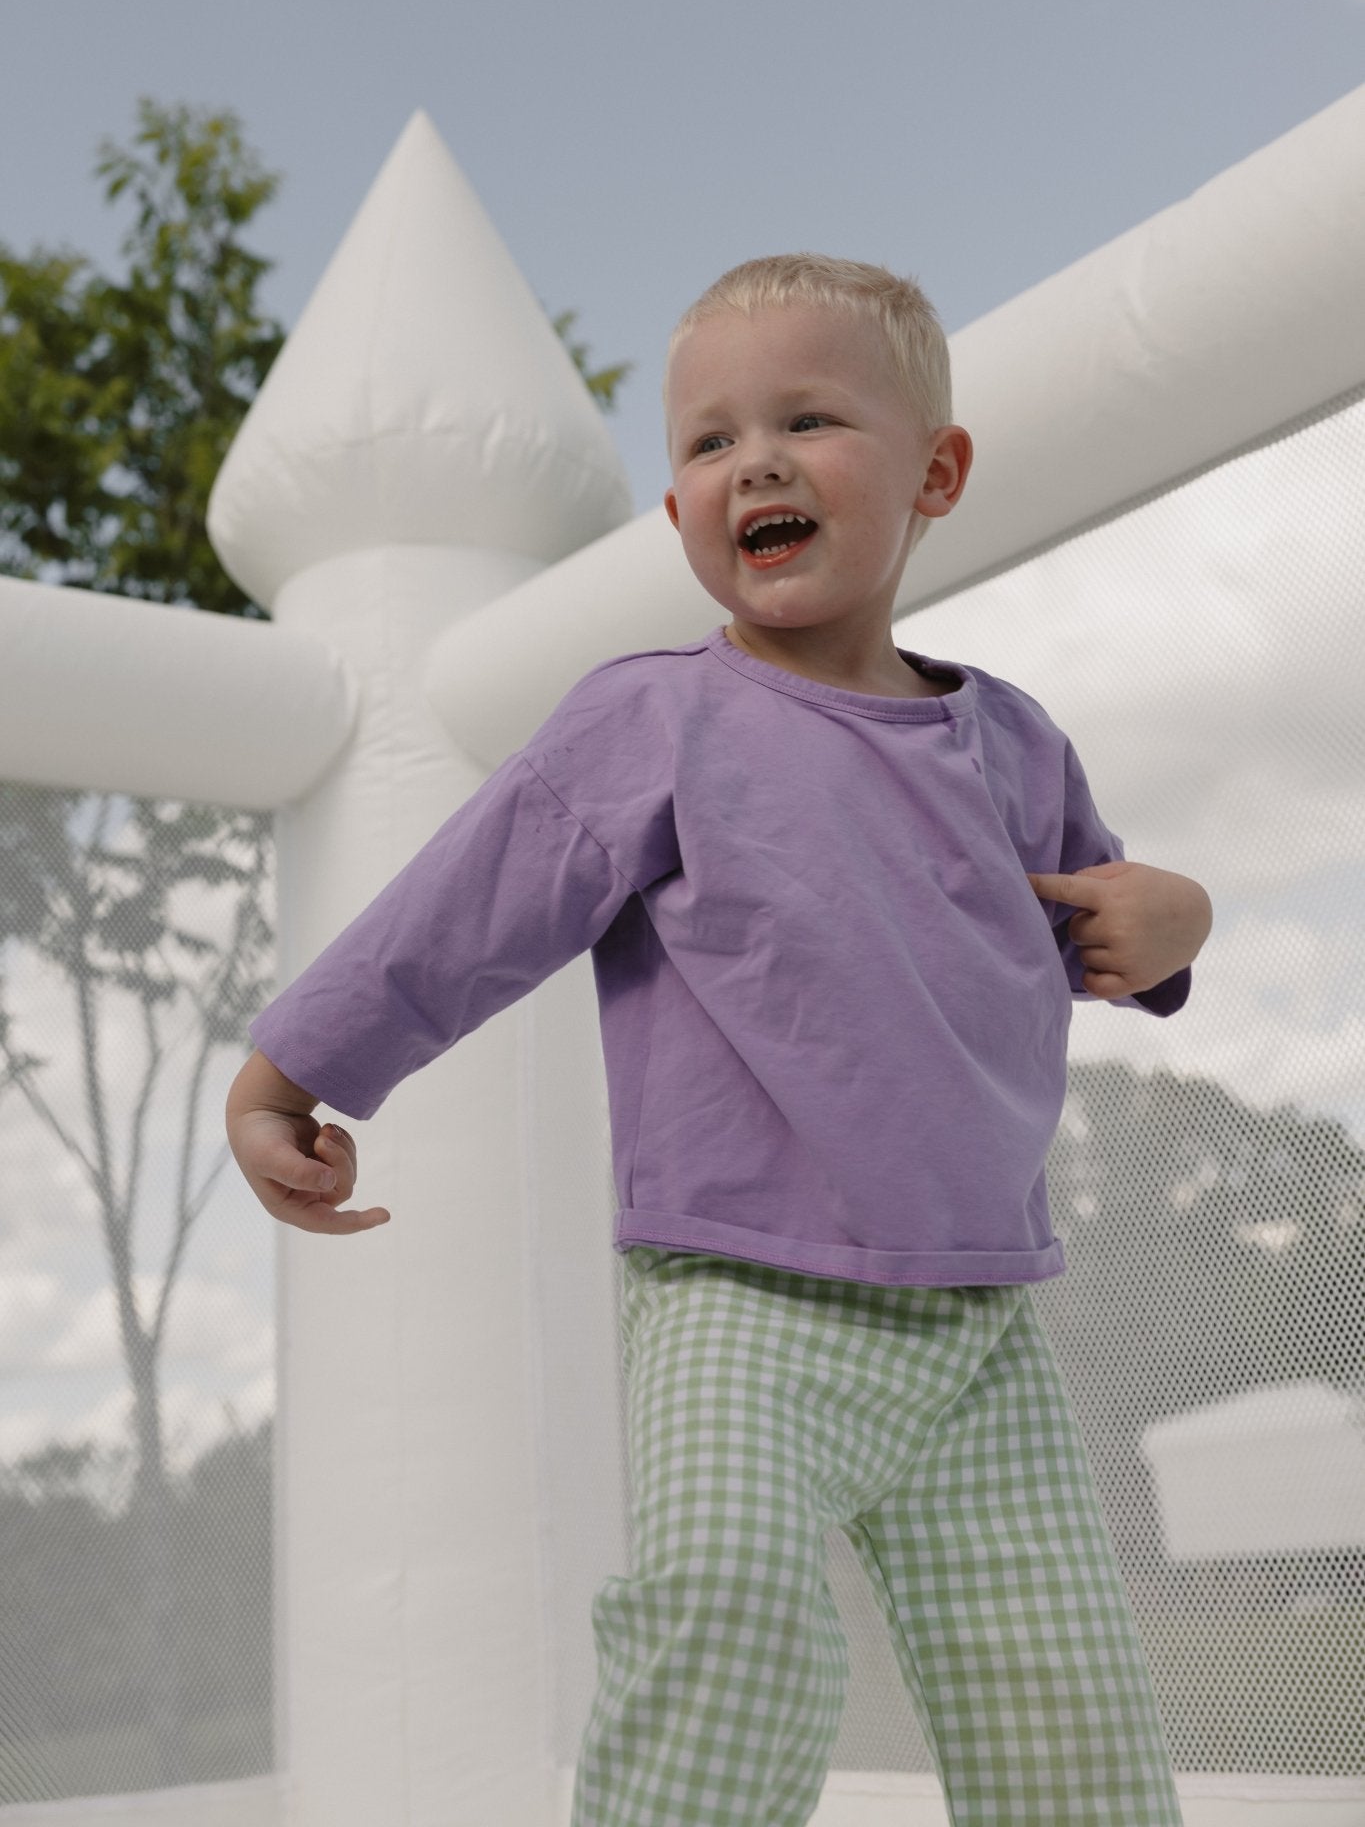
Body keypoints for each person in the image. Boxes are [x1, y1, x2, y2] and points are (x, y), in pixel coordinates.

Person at [227, 254, 1213, 1826]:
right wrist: (296, 1068)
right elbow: (461, 910)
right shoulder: (652, 722)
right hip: (737, 1299)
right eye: (704, 442)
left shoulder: (1013, 742)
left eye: (808, 420)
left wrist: (1179, 923)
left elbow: (1109, 922)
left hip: (978, 1333)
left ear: (933, 473)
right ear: (680, 510)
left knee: (1065, 1713)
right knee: (724, 1621)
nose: (750, 461)